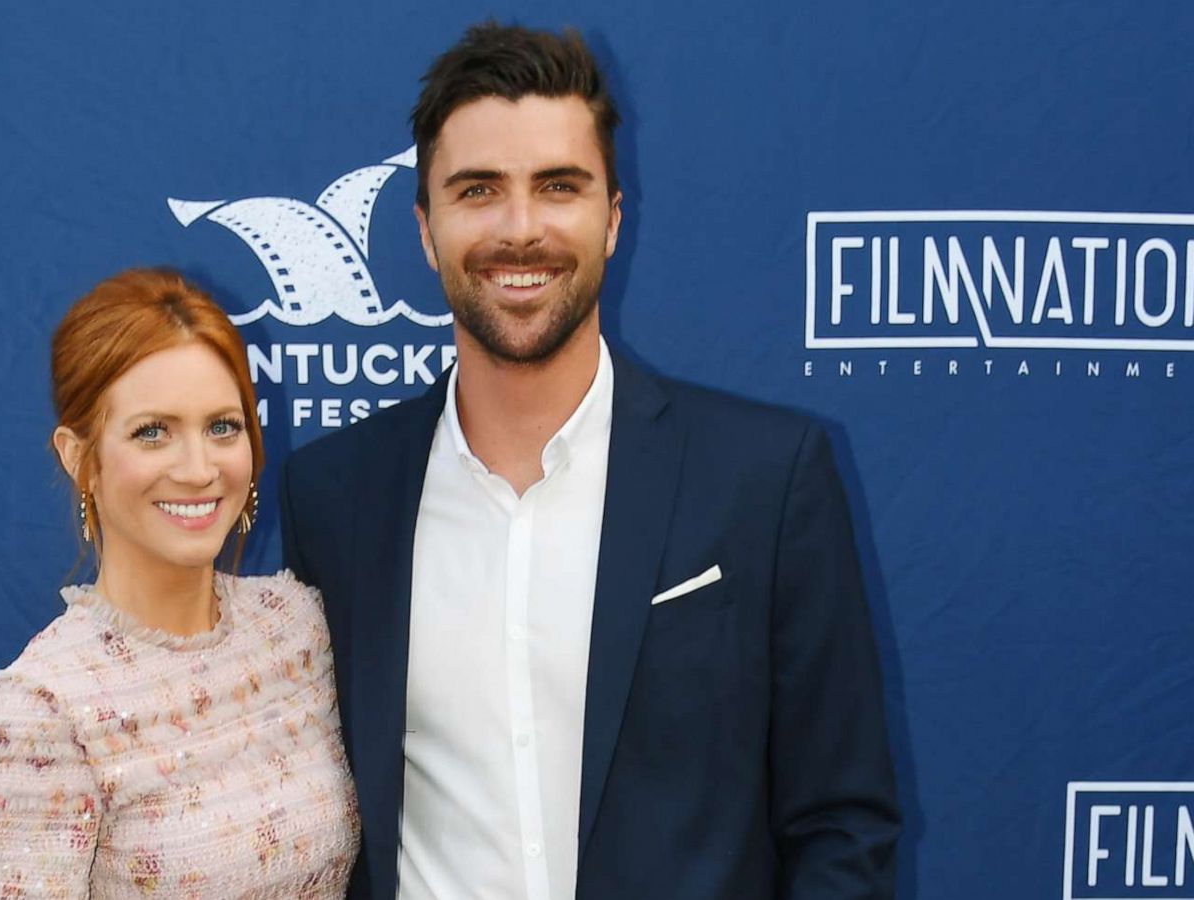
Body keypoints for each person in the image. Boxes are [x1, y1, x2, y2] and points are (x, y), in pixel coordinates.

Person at [279, 22, 900, 900]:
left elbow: (841, 824)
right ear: (426, 229)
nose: (520, 228)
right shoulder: (336, 496)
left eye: (558, 187)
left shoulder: (765, 479)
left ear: (612, 219)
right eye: (479, 190)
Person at [0, 268, 359, 897]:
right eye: (152, 432)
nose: (199, 469)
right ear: (76, 455)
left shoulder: (297, 628)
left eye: (222, 426)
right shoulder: (42, 711)